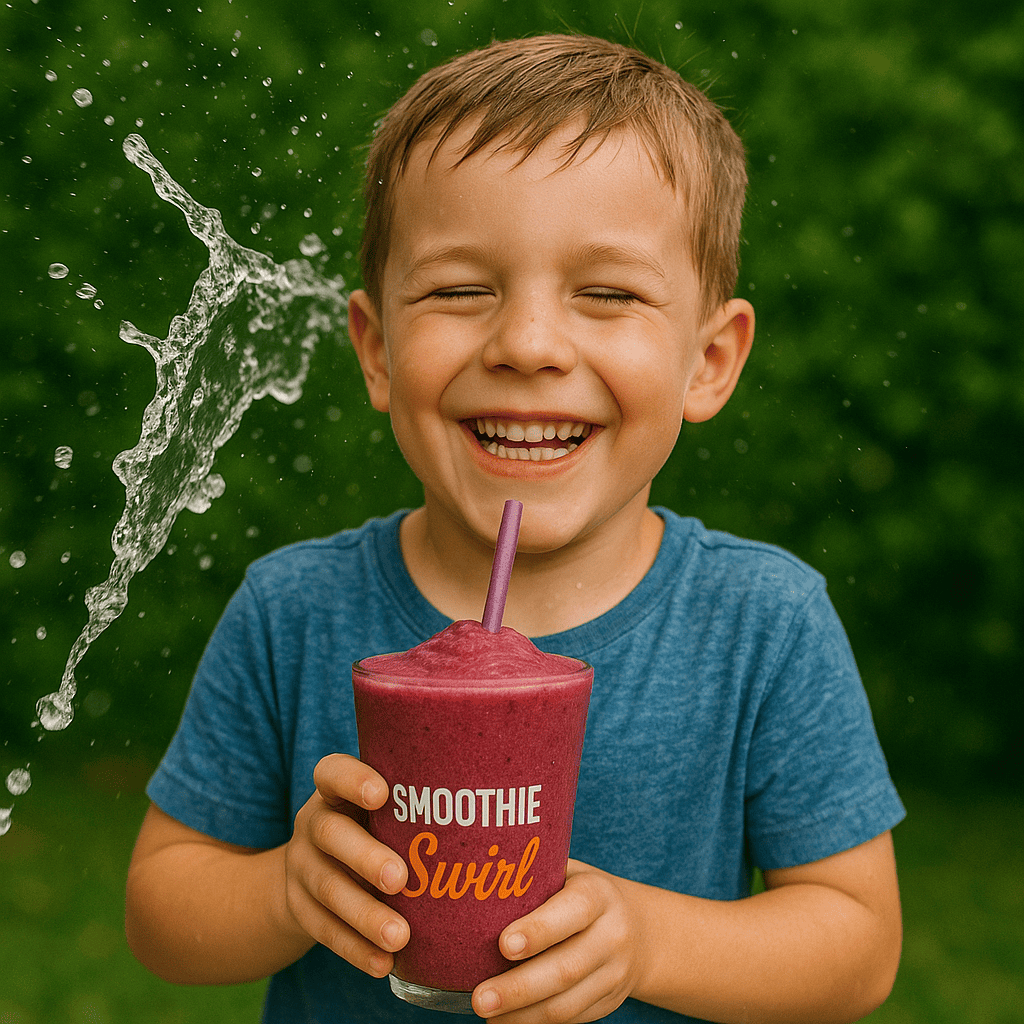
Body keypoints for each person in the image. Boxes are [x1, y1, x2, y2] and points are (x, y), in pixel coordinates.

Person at [125, 33, 905, 1024]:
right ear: (377, 349)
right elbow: (162, 910)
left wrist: (652, 942)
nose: (529, 345)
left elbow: (857, 945)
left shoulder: (762, 623)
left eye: (608, 294)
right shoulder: (295, 610)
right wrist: (286, 890)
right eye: (460, 290)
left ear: (708, 361)